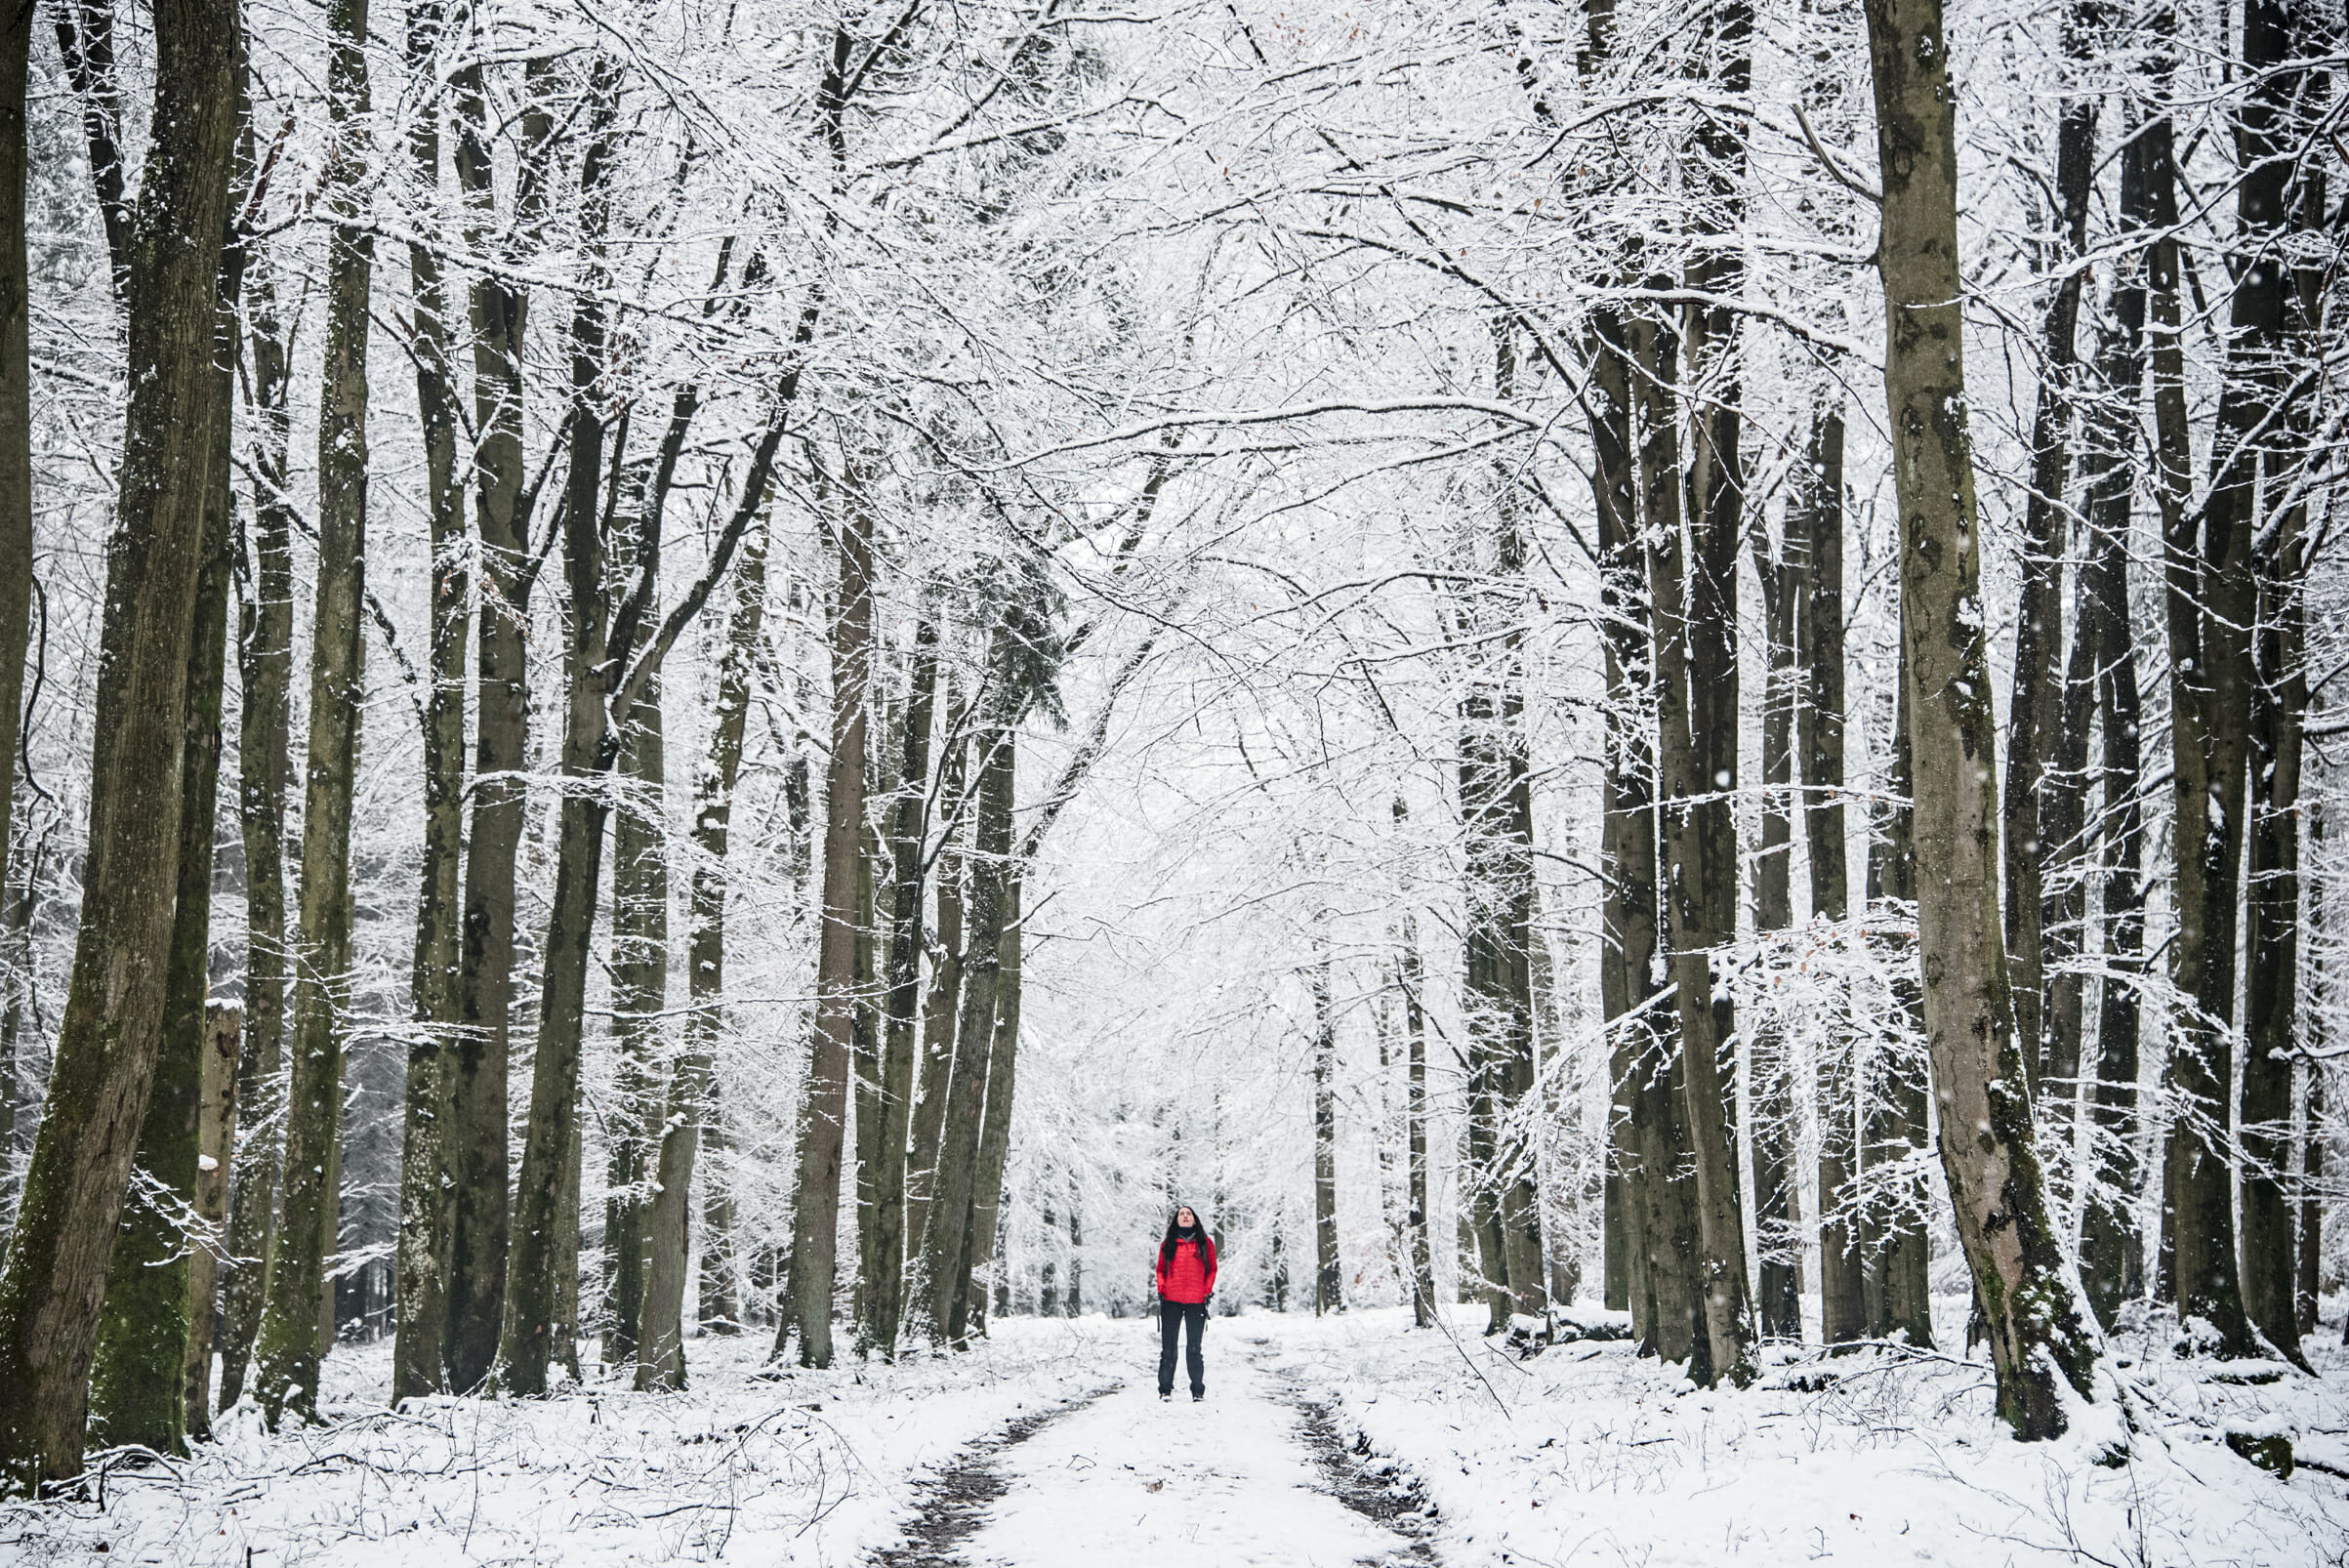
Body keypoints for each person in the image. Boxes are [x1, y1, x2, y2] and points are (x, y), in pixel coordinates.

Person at [1154, 1204, 1217, 1401]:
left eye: (1188, 1213)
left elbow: (1212, 1269)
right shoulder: (1168, 1244)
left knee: (1194, 1349)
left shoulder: (1205, 1243)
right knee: (1168, 1348)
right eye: (1181, 1214)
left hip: (1196, 1301)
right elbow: (1160, 1269)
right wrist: (1162, 1288)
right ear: (1177, 1220)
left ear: (1194, 1219)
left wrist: (1206, 1290)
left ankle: (1197, 1391)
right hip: (1171, 1301)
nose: (1185, 1216)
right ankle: (1165, 1389)